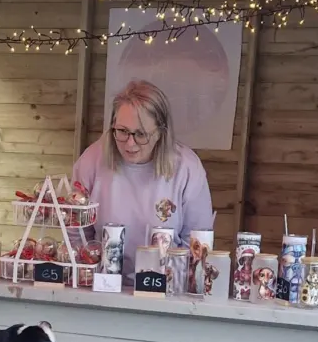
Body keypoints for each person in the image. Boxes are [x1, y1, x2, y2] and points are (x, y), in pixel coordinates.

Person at [73, 80, 214, 276]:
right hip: (104, 284)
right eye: (122, 131)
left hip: (167, 287)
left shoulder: (187, 167)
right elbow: (76, 231)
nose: (130, 143)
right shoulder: (92, 160)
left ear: (160, 133)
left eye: (141, 134)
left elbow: (198, 241)